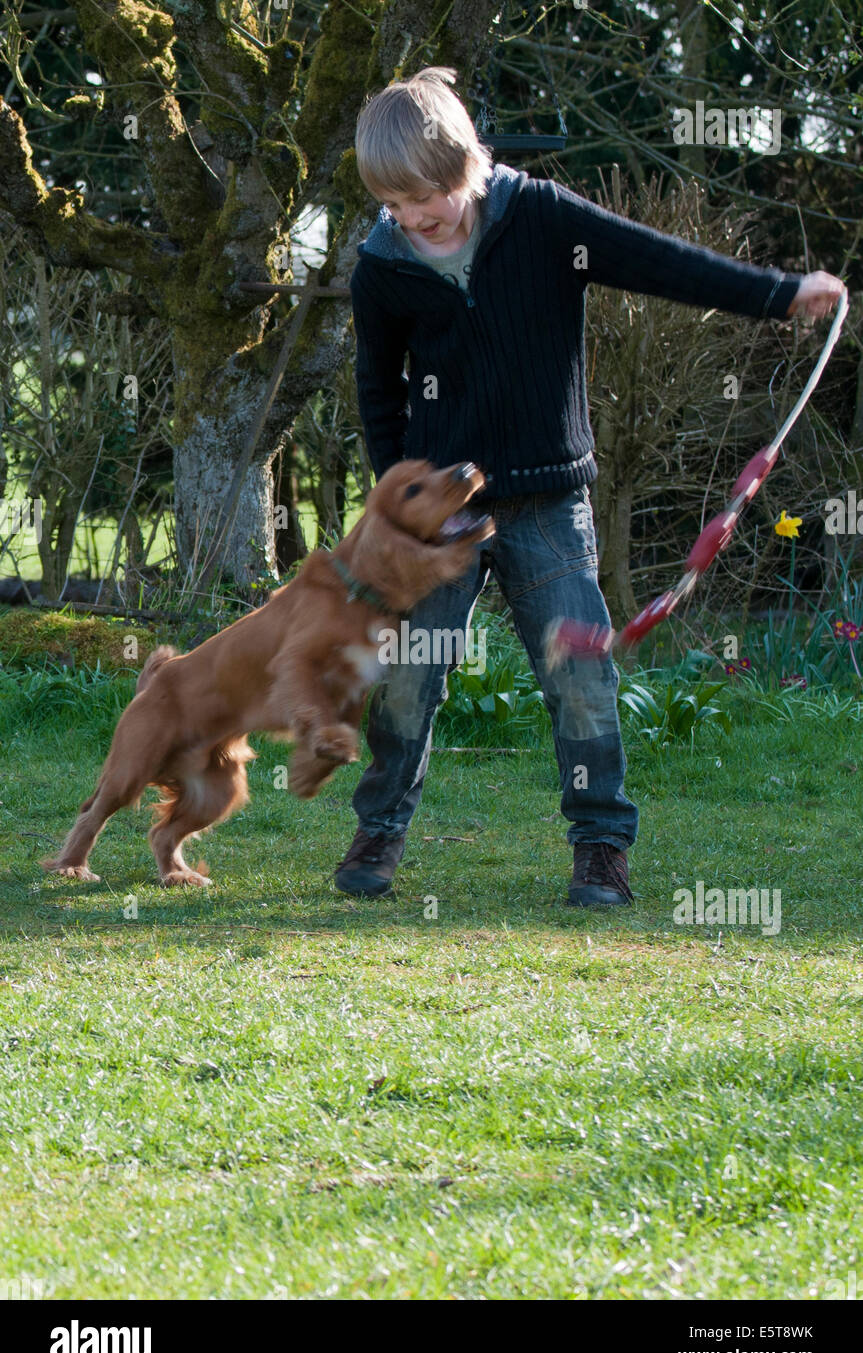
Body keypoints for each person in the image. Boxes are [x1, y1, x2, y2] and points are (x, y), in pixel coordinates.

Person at [336, 66, 845, 906]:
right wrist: (397, 504)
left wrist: (780, 294)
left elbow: (659, 262)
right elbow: (376, 389)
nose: (414, 218)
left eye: (427, 199)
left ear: (468, 165)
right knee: (406, 674)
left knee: (579, 675)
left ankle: (601, 846)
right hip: (438, 521)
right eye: (395, 205)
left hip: (545, 503)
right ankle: (379, 831)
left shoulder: (541, 219)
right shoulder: (381, 267)